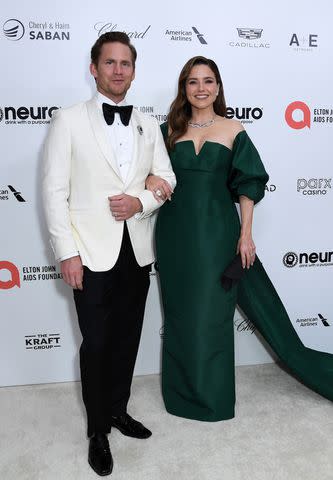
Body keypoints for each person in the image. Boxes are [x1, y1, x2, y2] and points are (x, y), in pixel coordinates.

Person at [146, 56, 333, 422]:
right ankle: (182, 394)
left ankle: (211, 399)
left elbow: (248, 185)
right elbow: (146, 170)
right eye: (193, 81)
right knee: (182, 316)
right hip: (175, 234)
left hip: (218, 232)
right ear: (184, 88)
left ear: (218, 87)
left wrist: (245, 234)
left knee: (212, 317)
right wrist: (151, 179)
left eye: (208, 81)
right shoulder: (167, 129)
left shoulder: (234, 129)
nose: (201, 88)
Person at [42, 31, 176, 476]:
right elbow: (53, 192)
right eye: (110, 63)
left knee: (126, 339)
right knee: (96, 343)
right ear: (94, 68)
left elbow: (166, 179)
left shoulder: (147, 123)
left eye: (126, 64)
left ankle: (118, 410)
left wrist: (142, 201)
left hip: (135, 252)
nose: (119, 70)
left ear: (134, 71)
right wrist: (66, 252)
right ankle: (97, 430)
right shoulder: (68, 120)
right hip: (89, 253)